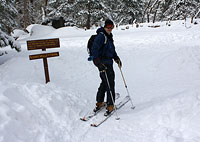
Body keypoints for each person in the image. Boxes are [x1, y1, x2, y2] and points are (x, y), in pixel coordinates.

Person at [92, 19, 122, 116]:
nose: (110, 29)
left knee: (105, 82)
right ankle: (110, 104)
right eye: (108, 27)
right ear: (104, 27)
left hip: (108, 62)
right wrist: (98, 63)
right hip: (103, 63)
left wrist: (116, 57)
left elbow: (111, 49)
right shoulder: (101, 36)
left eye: (111, 27)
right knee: (110, 83)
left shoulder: (108, 36)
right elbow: (94, 49)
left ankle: (99, 102)